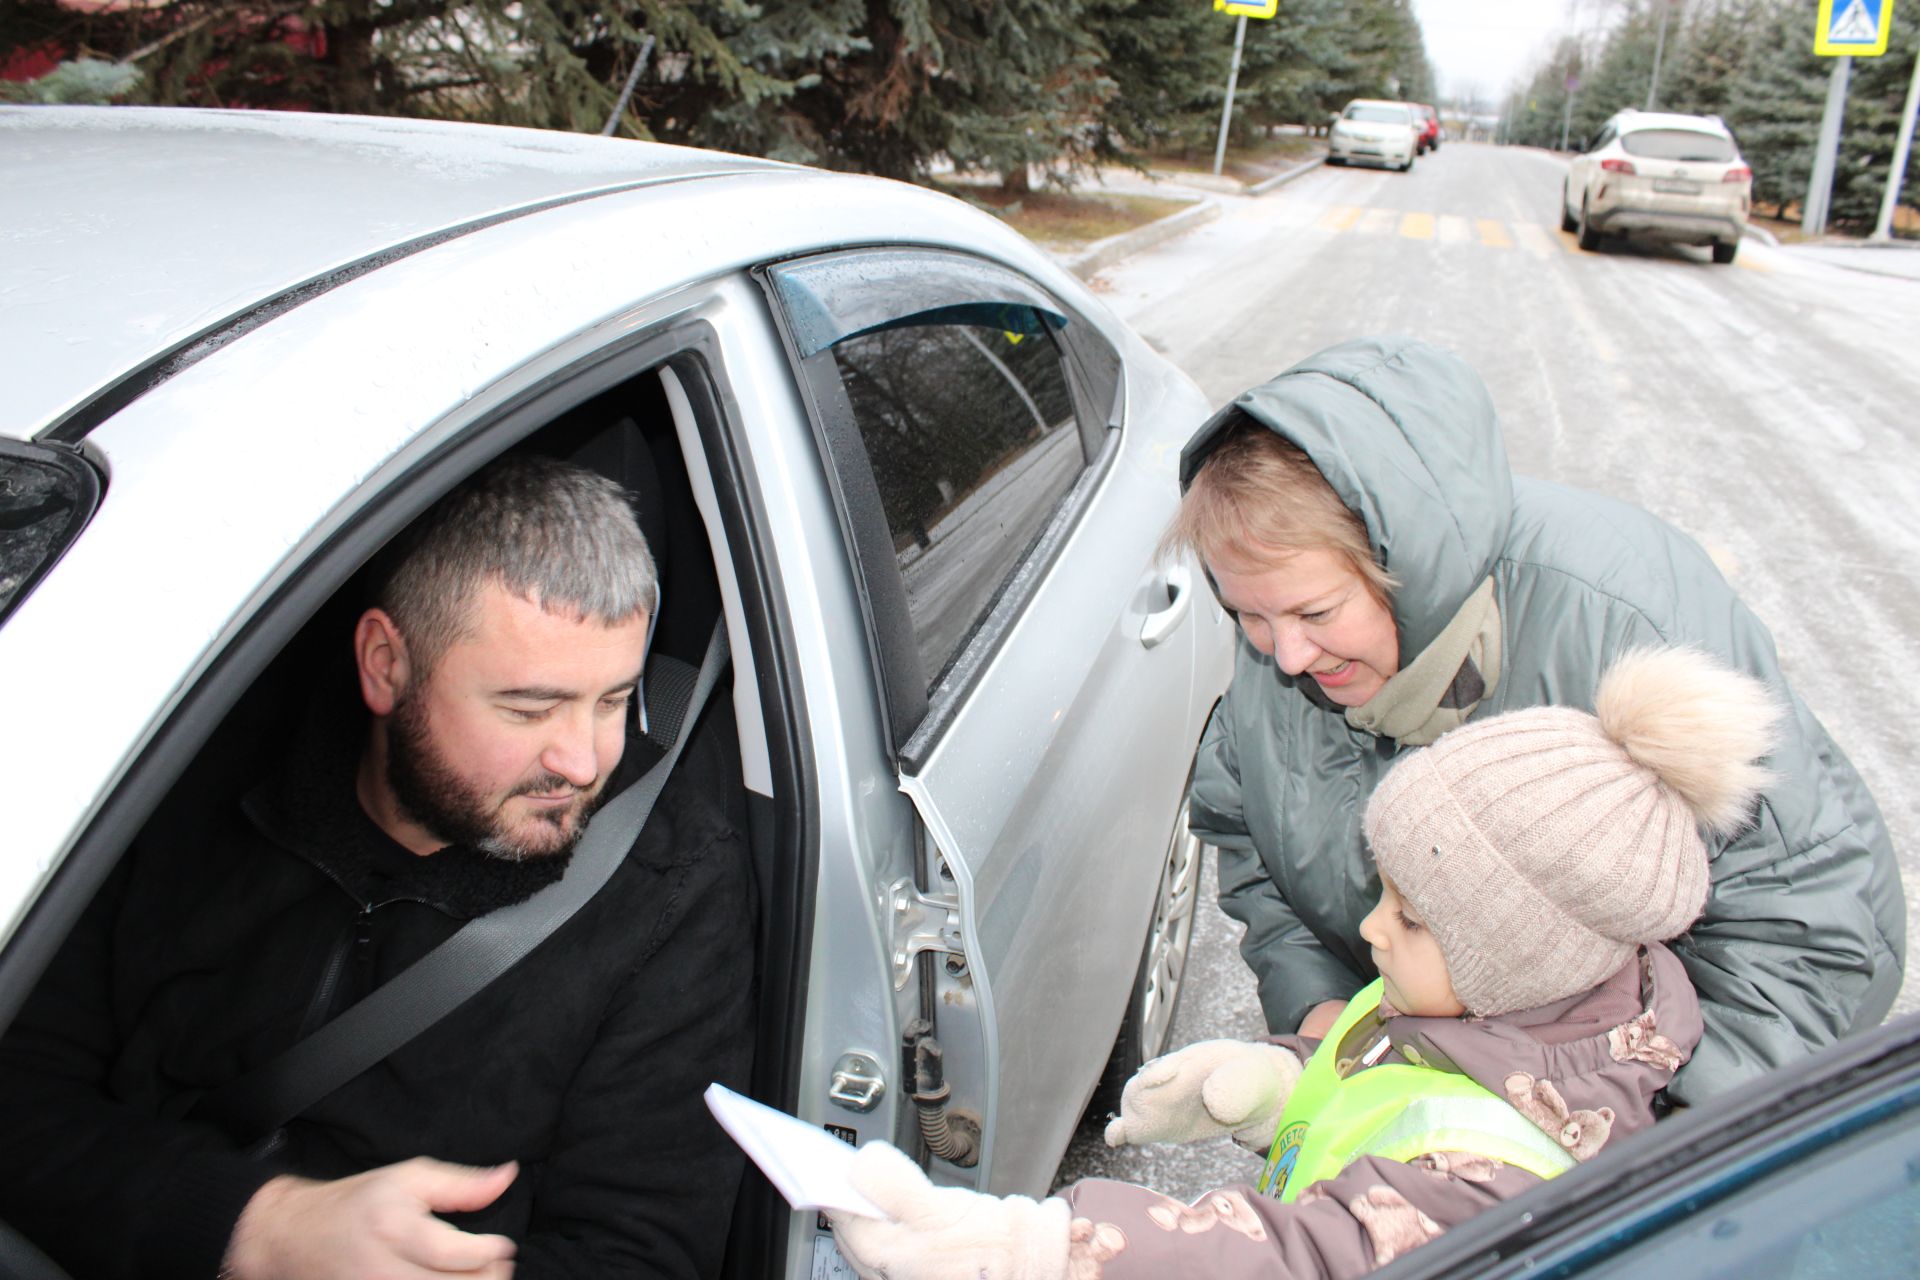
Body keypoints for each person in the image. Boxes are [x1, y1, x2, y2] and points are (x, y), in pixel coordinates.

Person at [0, 456, 756, 1279]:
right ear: (385, 665)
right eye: (529, 707)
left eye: (612, 700)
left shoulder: (668, 886)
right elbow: (20, 1091)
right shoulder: (185, 779)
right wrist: (252, 1226)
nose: (583, 760)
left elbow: (641, 1252)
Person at [830, 646, 1776, 1280]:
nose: (1371, 929)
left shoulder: (1505, 1179)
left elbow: (1304, 1260)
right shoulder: (1480, 1014)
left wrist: (1036, 1251)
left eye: (1410, 916)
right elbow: (1393, 1101)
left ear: (1513, 961)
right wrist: (1279, 1090)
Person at [1166, 335, 1903, 1099]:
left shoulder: (1625, 621)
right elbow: (1251, 838)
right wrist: (1323, 1013)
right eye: (1249, 614)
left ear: (1404, 561)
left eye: (1316, 611)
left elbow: (1804, 933)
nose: (1285, 656)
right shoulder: (1291, 649)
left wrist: (1634, 1146)